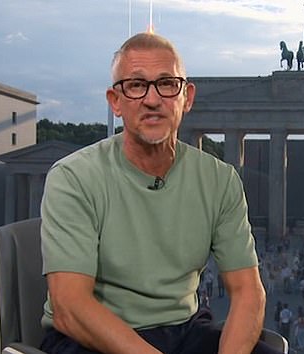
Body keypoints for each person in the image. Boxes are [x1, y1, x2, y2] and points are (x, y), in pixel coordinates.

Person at [39, 32, 277, 354]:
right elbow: (70, 307)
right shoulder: (73, 177)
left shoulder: (220, 180)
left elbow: (249, 292)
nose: (153, 100)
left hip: (184, 331)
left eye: (167, 84)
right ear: (115, 102)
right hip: (93, 337)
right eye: (136, 85)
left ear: (187, 97)